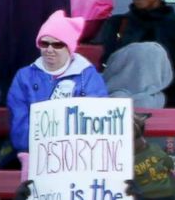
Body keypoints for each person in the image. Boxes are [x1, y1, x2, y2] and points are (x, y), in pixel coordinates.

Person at [6, 11, 109, 155]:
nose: (49, 50)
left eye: (57, 45)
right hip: (33, 153)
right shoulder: (24, 77)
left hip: (77, 155)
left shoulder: (89, 76)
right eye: (44, 43)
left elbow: (96, 121)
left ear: (70, 47)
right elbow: (19, 124)